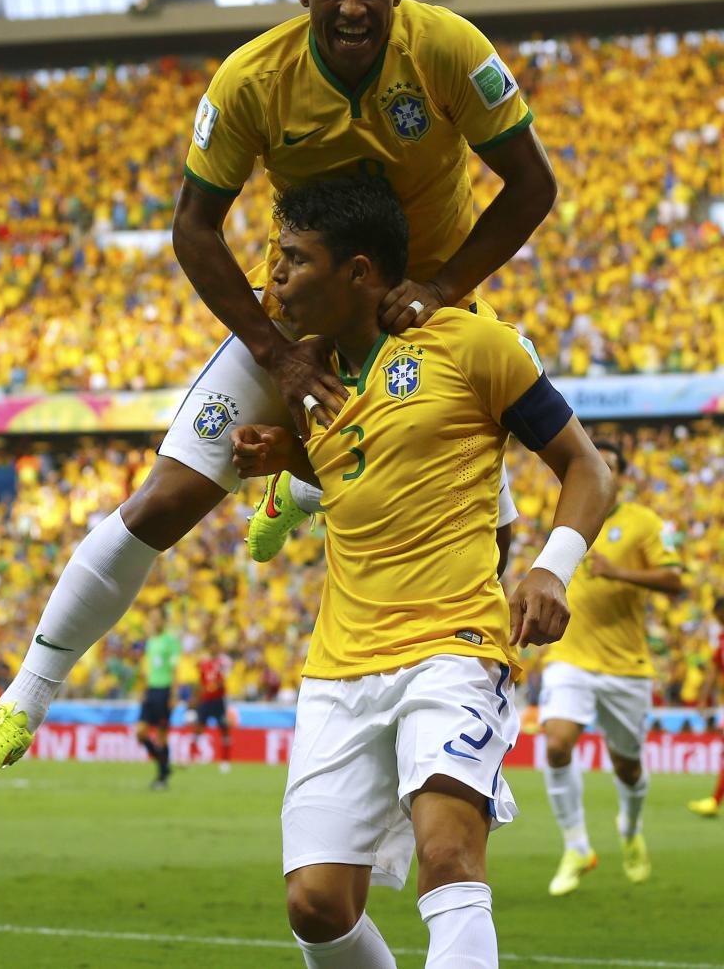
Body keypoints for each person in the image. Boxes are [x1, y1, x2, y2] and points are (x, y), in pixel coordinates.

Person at [0, 0, 558, 793]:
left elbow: (532, 186)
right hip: (301, 325)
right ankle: (23, 701)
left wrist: (440, 287)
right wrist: (276, 350)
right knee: (161, 504)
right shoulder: (250, 80)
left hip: (418, 323)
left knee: (489, 541)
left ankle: (327, 529)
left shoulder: (453, 52)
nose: (354, 6)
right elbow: (194, 228)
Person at [227, 175, 612, 969]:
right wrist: (289, 455)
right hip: (340, 664)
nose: (275, 281)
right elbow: (369, 470)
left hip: (453, 646)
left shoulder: (473, 345)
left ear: (360, 272)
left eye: (294, 261)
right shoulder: (307, 387)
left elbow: (588, 467)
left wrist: (552, 568)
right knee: (316, 905)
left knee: (449, 854)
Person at [538, 441, 684, 896]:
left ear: (619, 475)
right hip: (571, 657)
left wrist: (618, 572)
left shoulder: (645, 523)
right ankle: (577, 845)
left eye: (608, 466)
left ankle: (630, 828)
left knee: (627, 768)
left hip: (626, 665)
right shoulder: (566, 518)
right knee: (557, 744)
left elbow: (675, 580)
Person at [135, 606, 181, 791]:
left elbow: (176, 670)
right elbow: (149, 669)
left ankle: (162, 776)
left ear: (163, 620)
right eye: (151, 618)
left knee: (162, 736)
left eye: (157, 618)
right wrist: (143, 690)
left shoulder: (170, 641)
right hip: (151, 691)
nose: (154, 622)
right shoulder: (151, 642)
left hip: (164, 691)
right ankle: (165, 766)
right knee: (140, 733)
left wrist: (174, 695)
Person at [687, 595, 724, 818]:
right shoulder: (721, 638)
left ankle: (715, 800)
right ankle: (714, 800)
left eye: (719, 616)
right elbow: (713, 669)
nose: (718, 621)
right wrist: (703, 698)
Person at [187, 631, 233, 773]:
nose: (213, 648)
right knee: (199, 728)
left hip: (218, 700)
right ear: (209, 647)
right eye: (211, 645)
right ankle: (192, 759)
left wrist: (215, 685)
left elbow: (223, 681)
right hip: (205, 700)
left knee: (224, 729)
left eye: (215, 645)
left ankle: (225, 761)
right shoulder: (203, 664)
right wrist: (195, 697)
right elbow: (200, 682)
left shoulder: (223, 662)